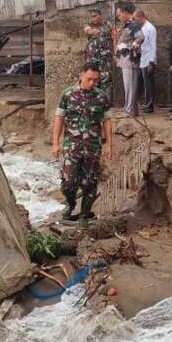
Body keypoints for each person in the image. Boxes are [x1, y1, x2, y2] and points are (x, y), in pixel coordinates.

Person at [51, 62, 113, 222]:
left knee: (90, 183)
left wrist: (109, 145)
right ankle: (70, 204)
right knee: (68, 182)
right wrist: (55, 143)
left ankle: (85, 214)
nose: (92, 83)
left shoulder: (101, 97)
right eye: (89, 79)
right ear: (81, 76)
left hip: (92, 148)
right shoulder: (67, 95)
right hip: (72, 147)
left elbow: (107, 121)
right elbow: (59, 118)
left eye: (96, 80)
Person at [113, 1, 144, 116]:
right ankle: (131, 109)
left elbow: (140, 37)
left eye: (119, 14)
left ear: (125, 12)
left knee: (129, 85)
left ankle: (129, 110)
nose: (118, 17)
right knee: (130, 85)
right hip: (125, 59)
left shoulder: (133, 25)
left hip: (129, 59)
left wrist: (131, 48)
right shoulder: (127, 26)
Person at [83, 8, 114, 103]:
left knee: (106, 79)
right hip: (93, 58)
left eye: (95, 16)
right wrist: (94, 31)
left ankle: (106, 102)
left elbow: (114, 35)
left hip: (106, 58)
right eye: (92, 16)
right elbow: (87, 31)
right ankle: (93, 101)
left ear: (100, 15)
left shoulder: (108, 24)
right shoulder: (89, 25)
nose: (93, 18)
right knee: (93, 78)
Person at [134, 9, 157, 113]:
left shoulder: (150, 28)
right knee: (144, 83)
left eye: (136, 19)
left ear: (140, 17)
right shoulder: (142, 27)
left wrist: (152, 62)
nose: (135, 21)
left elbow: (153, 46)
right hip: (143, 58)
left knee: (149, 84)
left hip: (148, 60)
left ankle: (150, 106)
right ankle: (146, 104)